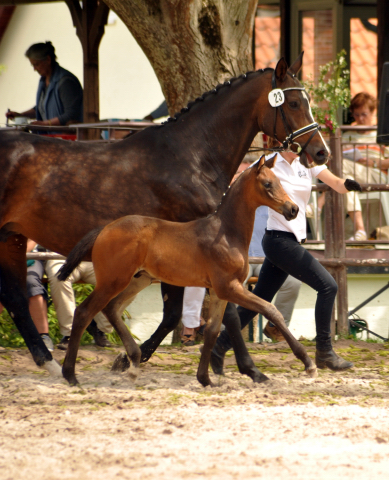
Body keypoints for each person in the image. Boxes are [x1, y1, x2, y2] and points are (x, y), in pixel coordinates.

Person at [210, 141, 362, 373]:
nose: (298, 146)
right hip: (279, 241)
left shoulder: (307, 162)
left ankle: (217, 348)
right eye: (292, 142)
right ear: (281, 141)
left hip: (290, 241)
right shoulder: (269, 163)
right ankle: (324, 351)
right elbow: (238, 182)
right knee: (328, 286)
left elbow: (334, 182)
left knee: (256, 301)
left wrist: (348, 185)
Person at [318, 92, 389, 240]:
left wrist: (373, 162)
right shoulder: (347, 133)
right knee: (347, 181)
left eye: (364, 114)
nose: (360, 119)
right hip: (352, 173)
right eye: (356, 115)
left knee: (342, 165)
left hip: (376, 174)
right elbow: (335, 159)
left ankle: (319, 204)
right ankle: (360, 231)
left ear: (373, 112)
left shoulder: (380, 133)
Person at [247, 206, 302, 342]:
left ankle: (276, 327)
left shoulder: (274, 205)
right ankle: (227, 331)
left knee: (293, 281)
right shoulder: (233, 199)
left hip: (267, 259)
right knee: (231, 282)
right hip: (239, 259)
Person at [5, 41, 83, 127]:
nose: (34, 69)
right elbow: (41, 108)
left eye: (36, 64)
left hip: (67, 137)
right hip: (51, 136)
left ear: (48, 60)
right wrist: (20, 115)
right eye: (33, 65)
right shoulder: (43, 80)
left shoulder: (66, 82)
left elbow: (71, 114)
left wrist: (45, 123)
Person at [45, 259, 112, 350]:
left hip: (95, 258)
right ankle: (70, 334)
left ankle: (98, 327)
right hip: (61, 257)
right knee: (59, 278)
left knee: (117, 282)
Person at [26, 241, 53, 351]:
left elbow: (32, 238)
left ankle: (43, 336)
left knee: (32, 283)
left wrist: (20, 254)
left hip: (29, 256)